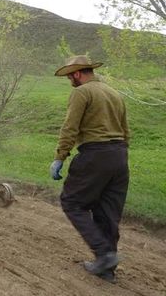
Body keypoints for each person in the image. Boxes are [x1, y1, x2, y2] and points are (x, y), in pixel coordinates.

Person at [50, 55, 130, 283]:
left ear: (77, 74)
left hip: (95, 154)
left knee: (71, 202)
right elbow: (126, 130)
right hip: (120, 156)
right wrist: (120, 156)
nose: (70, 81)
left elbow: (70, 127)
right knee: (108, 213)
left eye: (69, 77)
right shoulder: (114, 93)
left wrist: (60, 157)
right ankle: (107, 270)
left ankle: (104, 255)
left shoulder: (81, 92)